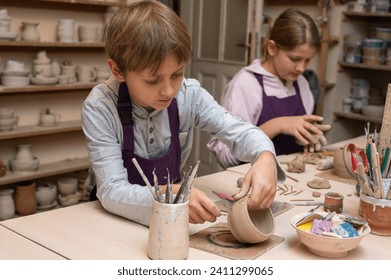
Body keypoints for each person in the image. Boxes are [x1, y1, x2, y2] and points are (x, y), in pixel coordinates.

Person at [81, 0, 285, 227]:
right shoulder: (100, 107)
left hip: (172, 213)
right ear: (118, 70)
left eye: (177, 74)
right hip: (111, 217)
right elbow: (112, 191)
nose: (169, 90)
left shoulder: (189, 95)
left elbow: (239, 132)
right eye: (152, 80)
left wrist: (265, 155)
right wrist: (167, 200)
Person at [207, 8, 332, 169]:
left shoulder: (301, 83)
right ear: (272, 48)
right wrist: (277, 125)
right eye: (294, 59)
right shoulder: (246, 85)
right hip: (250, 182)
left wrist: (307, 136)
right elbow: (225, 156)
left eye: (307, 60)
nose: (301, 68)